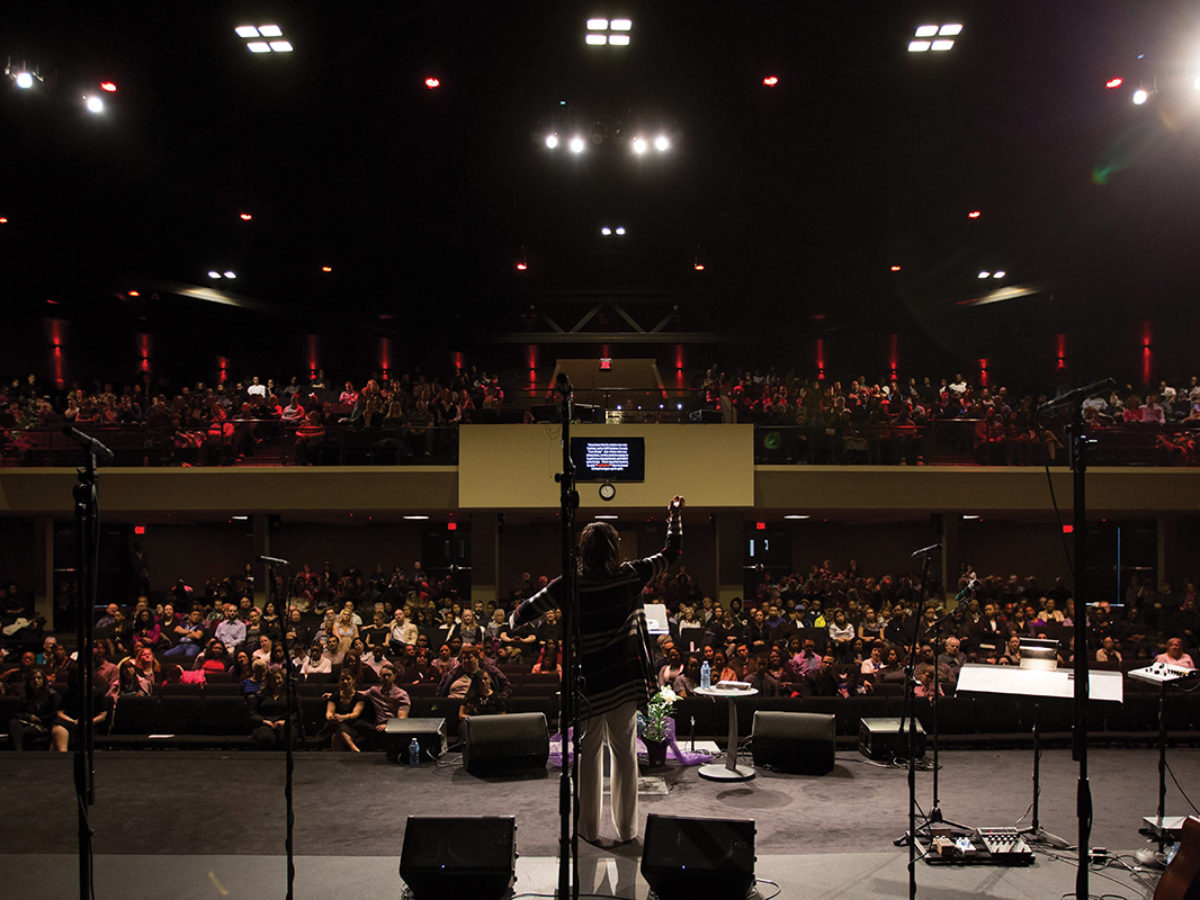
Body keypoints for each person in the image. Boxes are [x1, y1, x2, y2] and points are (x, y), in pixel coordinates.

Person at [509, 495, 684, 848]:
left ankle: (588, 830)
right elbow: (671, 553)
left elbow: (524, 612)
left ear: (583, 551)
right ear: (613, 550)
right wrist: (674, 517)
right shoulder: (632, 574)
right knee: (624, 756)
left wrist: (513, 622)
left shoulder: (570, 583)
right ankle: (627, 831)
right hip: (622, 683)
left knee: (588, 758)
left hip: (589, 687)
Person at [248, 668, 295, 750]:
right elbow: (252, 713)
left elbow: (297, 713)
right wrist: (264, 721)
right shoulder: (261, 695)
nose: (276, 681)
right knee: (266, 739)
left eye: (278, 678)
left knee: (285, 738)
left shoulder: (291, 694)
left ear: (283, 679)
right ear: (268, 681)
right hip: (265, 724)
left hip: (285, 724)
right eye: (273, 679)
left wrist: (285, 722)